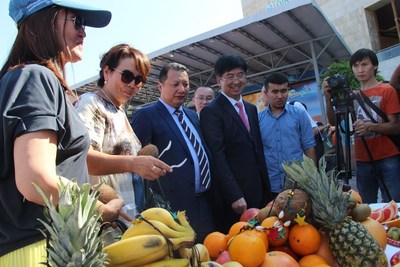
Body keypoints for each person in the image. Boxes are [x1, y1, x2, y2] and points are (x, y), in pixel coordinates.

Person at [0, 1, 122, 265]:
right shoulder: (35, 77)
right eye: (76, 21)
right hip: (41, 251)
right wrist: (99, 209)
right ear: (42, 21)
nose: (84, 32)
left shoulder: (21, 79)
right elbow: (36, 178)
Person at [74, 43, 172, 221]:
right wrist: (134, 163)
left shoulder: (118, 110)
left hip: (127, 216)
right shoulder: (91, 104)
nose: (133, 84)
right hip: (104, 222)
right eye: (127, 76)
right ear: (106, 72)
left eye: (139, 79)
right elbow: (83, 159)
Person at [131, 62, 214, 243]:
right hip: (173, 208)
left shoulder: (192, 115)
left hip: (205, 202)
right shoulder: (146, 115)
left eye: (185, 84)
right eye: (175, 84)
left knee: (208, 252)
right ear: (160, 86)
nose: (181, 89)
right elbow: (137, 164)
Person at [200, 55, 272, 233]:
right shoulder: (211, 112)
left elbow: (257, 150)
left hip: (260, 190)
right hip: (236, 198)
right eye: (229, 76)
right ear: (219, 80)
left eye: (240, 75)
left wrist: (266, 188)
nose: (236, 81)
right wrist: (234, 195)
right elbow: (217, 156)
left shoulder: (251, 109)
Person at [323, 48, 400, 203]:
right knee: (366, 206)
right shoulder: (351, 95)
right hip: (362, 160)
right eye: (356, 66)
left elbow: (396, 126)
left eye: (364, 65)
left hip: (388, 157)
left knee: (394, 204)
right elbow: (333, 122)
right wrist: (327, 97)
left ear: (375, 66)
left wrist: (370, 127)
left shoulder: (387, 90)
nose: (360, 70)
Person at [259, 73, 317, 197]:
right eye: (274, 92)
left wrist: (313, 179)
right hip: (270, 184)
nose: (280, 96)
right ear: (266, 92)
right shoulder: (258, 119)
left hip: (298, 183)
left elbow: (309, 146)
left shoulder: (299, 114)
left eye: (284, 91)